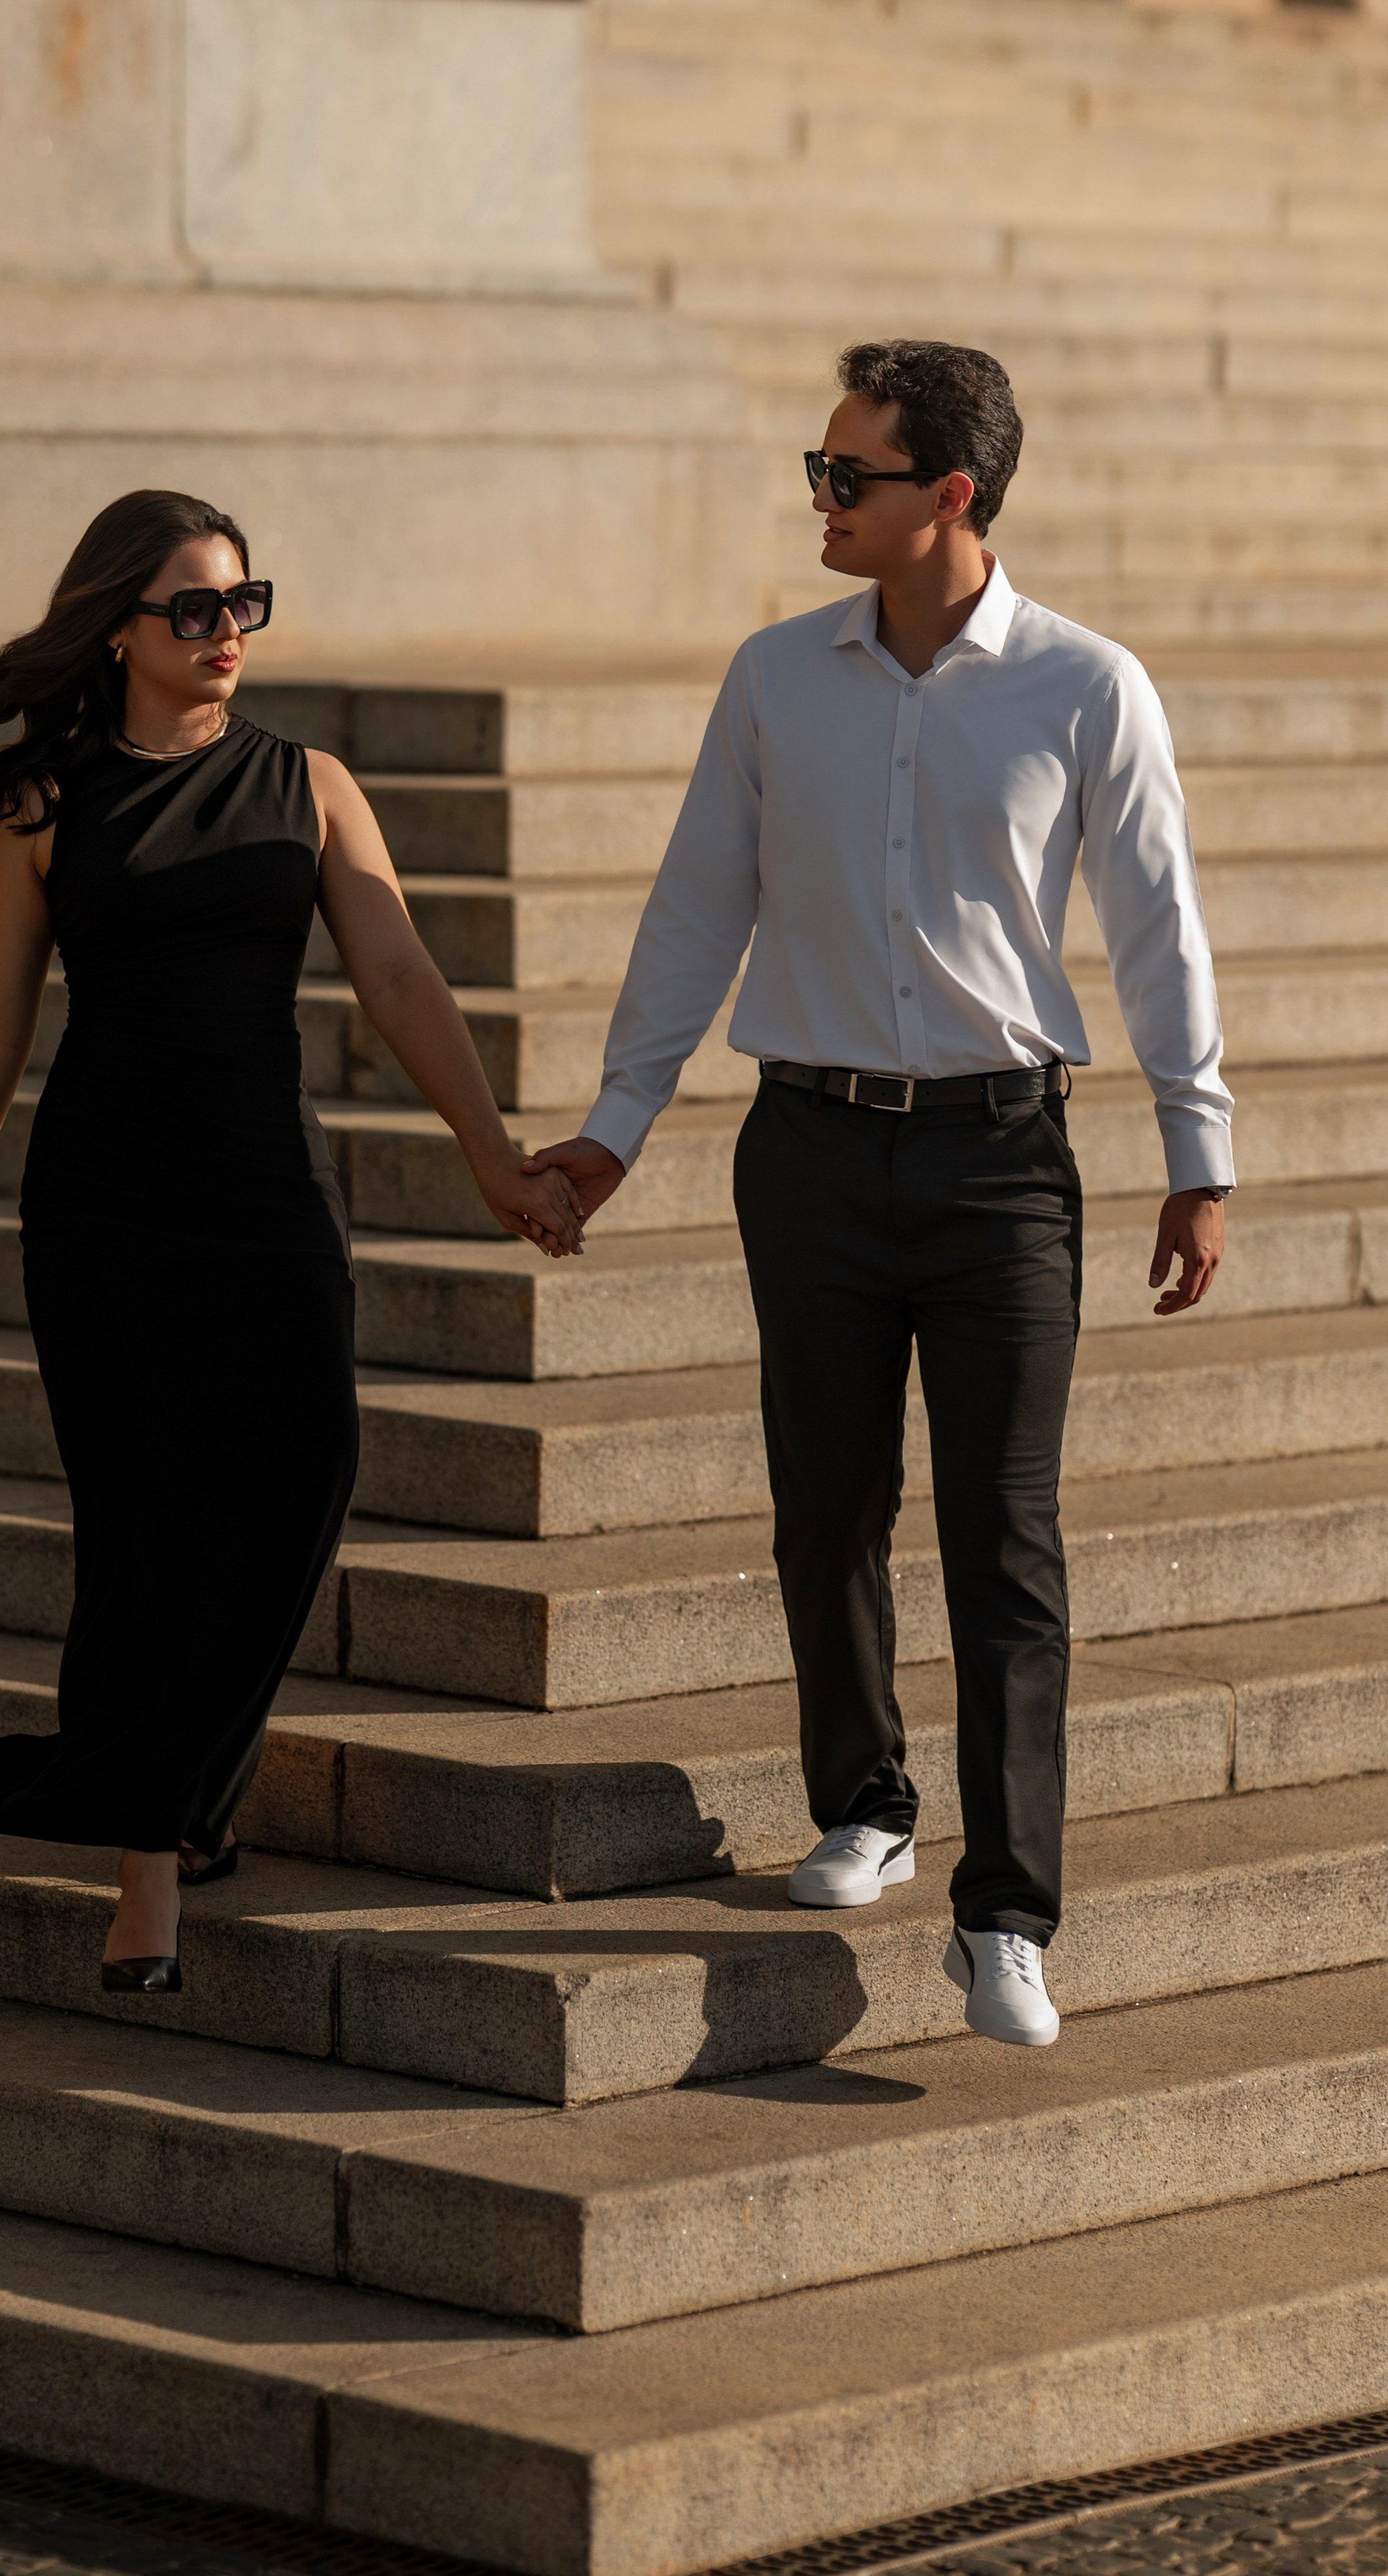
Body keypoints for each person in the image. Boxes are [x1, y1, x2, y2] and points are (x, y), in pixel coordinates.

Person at [523, 341, 1232, 2050]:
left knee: (1005, 1539)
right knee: (822, 1501)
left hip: (1001, 1161)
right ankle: (865, 1804)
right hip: (813, 1150)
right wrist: (616, 1124)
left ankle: (1007, 1914)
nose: (821, 503)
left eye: (849, 477)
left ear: (952, 498)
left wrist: (1195, 1154)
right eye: (817, 471)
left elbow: (1155, 928)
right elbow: (697, 905)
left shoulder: (1083, 685)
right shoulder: (776, 678)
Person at [0, 488, 583, 1995]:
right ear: (120, 631)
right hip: (101, 1204)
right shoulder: (47, 808)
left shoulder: (310, 783)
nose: (226, 634)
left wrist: (490, 1160)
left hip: (267, 1191)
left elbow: (399, 975)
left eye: (243, 603)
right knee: (139, 1522)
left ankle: (167, 1784)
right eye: (194, 610)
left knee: (301, 1473)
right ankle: (154, 1864)